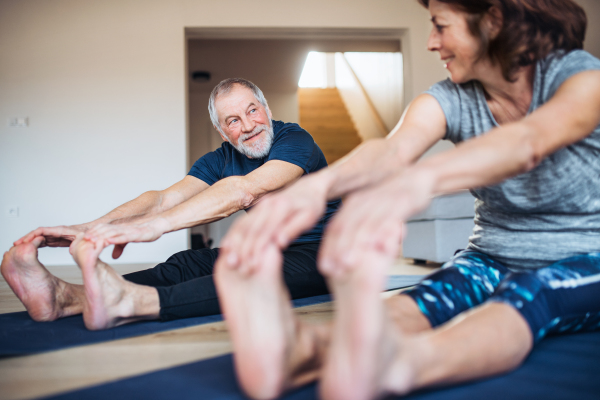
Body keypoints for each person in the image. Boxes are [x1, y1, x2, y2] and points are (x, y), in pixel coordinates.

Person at [213, 1, 600, 399]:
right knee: (425, 297)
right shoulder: (451, 98)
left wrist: (416, 182)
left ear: (493, 21)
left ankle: (403, 364)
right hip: (491, 257)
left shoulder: (578, 74)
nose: (432, 42)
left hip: (588, 258)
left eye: (440, 26)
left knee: (532, 295)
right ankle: (305, 350)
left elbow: (528, 142)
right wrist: (312, 190)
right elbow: (390, 150)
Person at [1, 78, 339, 330]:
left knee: (241, 275)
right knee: (185, 263)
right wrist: (89, 229)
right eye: (233, 120)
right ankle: (66, 297)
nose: (248, 125)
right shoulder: (219, 158)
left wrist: (151, 228)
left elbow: (244, 190)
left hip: (323, 256)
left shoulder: (294, 140)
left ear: (266, 109)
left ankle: (131, 302)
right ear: (223, 132)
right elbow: (162, 199)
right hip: (267, 248)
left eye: (252, 110)